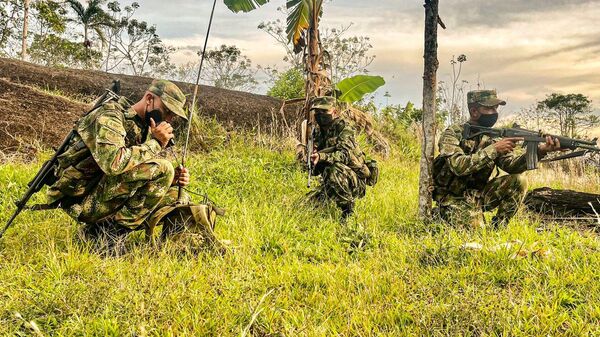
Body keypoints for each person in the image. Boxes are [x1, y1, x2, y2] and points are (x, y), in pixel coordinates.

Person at [46, 79, 191, 238]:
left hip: (102, 189)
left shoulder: (144, 126)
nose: (169, 119)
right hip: (79, 197)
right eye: (167, 111)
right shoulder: (111, 115)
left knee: (178, 196)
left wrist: (171, 179)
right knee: (163, 169)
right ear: (149, 99)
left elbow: (135, 170)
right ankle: (111, 237)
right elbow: (113, 163)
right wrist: (156, 144)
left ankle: (96, 232)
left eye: (173, 115)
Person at [433, 89, 562, 228]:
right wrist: (494, 150)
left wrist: (541, 151)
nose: (494, 112)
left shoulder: (494, 137)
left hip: (478, 197)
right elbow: (458, 166)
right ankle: (438, 214)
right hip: (451, 198)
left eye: (496, 108)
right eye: (489, 108)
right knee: (475, 233)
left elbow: (511, 166)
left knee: (519, 181)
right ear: (474, 111)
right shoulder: (453, 133)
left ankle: (499, 228)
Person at [307, 96, 377, 221]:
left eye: (324, 111)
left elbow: (345, 155)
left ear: (334, 112)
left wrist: (322, 156)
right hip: (331, 180)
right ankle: (330, 194)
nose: (320, 115)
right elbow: (316, 169)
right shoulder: (318, 131)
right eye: (317, 112)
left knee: (334, 168)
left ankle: (347, 211)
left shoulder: (345, 128)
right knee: (306, 205)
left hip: (354, 179)